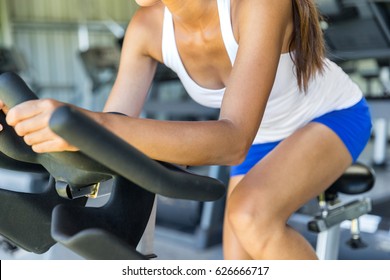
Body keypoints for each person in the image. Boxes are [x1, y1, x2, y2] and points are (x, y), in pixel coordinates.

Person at [0, 0, 372, 260]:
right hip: (264, 139)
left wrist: (89, 124)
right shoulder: (146, 28)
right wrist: (22, 132)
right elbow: (107, 143)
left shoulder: (256, 5)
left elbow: (232, 140)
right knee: (239, 263)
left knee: (250, 216)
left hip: (330, 117)